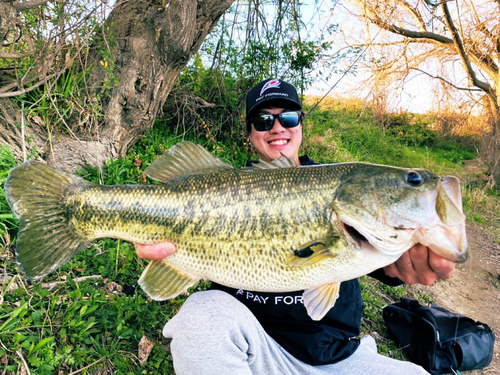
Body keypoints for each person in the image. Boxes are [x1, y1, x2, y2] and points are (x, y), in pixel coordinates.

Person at [136, 79, 456, 374]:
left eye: (287, 117)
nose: (277, 127)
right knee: (198, 316)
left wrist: (402, 262)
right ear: (249, 133)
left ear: (301, 124)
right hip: (251, 347)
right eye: (263, 121)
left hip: (337, 357)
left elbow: (383, 262)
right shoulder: (221, 190)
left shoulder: (338, 189)